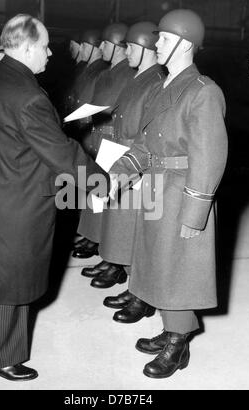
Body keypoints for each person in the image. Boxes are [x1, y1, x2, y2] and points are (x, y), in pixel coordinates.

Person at [0, 14, 109, 382]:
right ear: (26, 47)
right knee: (14, 281)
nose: (50, 52)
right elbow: (61, 153)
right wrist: (99, 180)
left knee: (5, 282)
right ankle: (2, 359)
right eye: (44, 46)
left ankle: (0, 353)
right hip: (19, 201)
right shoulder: (28, 95)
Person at [110, 9, 228, 378]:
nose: (156, 43)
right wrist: (124, 169)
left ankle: (178, 345)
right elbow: (147, 143)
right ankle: (171, 329)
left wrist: (196, 213)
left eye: (163, 38)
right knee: (159, 263)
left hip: (181, 192)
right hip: (157, 188)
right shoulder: (164, 86)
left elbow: (209, 157)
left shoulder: (203, 92)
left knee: (177, 268)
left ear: (184, 43)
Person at [82, 22, 164, 300]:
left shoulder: (154, 81)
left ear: (144, 48)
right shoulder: (140, 77)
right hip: (120, 153)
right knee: (119, 221)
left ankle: (138, 290)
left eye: (131, 46)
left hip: (134, 159)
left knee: (133, 227)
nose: (125, 51)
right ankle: (126, 276)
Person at [73, 23, 135, 264]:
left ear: (118, 46)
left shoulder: (128, 75)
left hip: (113, 140)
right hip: (99, 136)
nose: (102, 48)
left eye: (106, 44)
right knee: (97, 193)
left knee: (110, 197)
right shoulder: (107, 73)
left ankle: (109, 251)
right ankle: (94, 236)